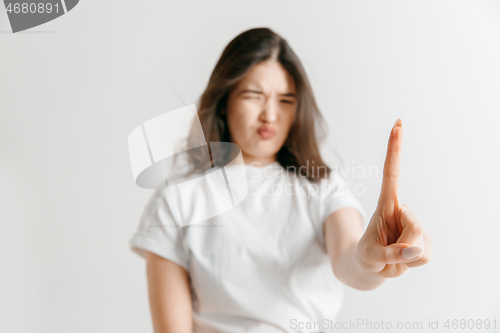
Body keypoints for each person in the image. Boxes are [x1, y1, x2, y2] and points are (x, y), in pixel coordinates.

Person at [130, 27, 432, 333]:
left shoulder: (322, 188)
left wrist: (371, 259)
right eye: (253, 95)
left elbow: (350, 259)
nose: (270, 115)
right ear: (224, 101)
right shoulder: (177, 200)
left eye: (286, 100)